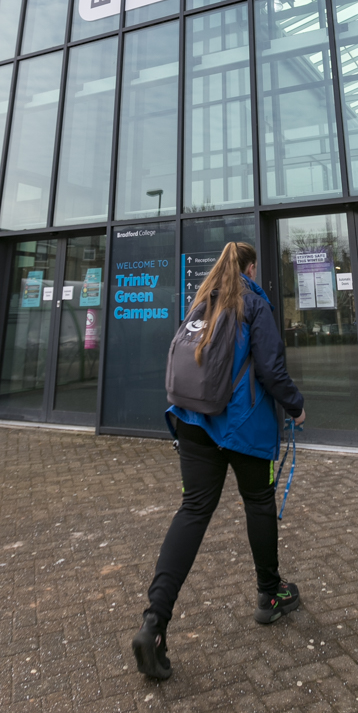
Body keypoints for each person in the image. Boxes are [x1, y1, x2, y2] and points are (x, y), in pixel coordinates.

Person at [132, 241, 306, 680]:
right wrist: (297, 406)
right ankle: (269, 595)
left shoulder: (202, 302)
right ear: (249, 266)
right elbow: (271, 368)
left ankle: (155, 622)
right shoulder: (254, 304)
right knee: (259, 503)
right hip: (241, 426)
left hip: (192, 421)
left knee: (192, 511)